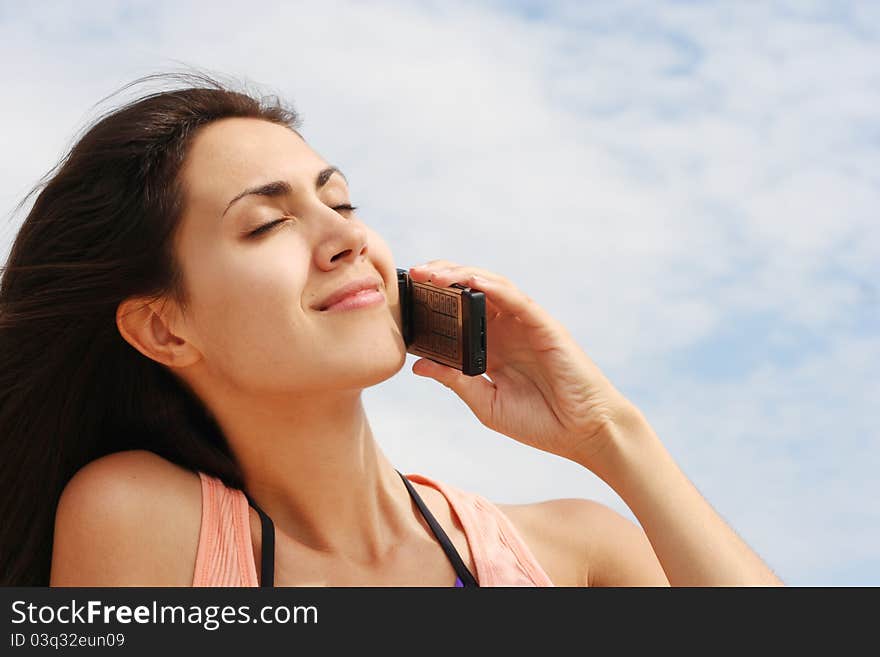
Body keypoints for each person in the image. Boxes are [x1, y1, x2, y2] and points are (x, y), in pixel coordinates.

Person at [0, 72, 783, 587]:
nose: (346, 239)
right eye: (269, 222)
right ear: (165, 330)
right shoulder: (139, 517)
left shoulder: (578, 552)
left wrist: (611, 434)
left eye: (339, 203)